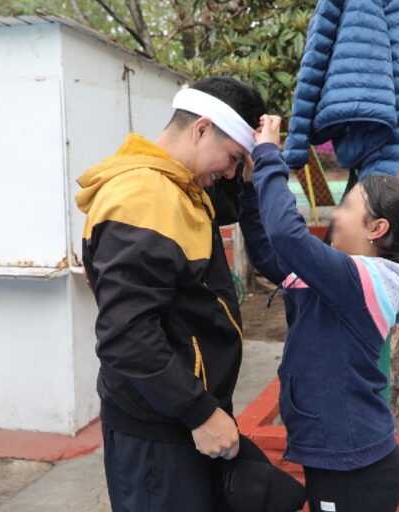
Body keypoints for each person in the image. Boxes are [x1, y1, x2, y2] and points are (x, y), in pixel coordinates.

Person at [75, 77, 305, 512]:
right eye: (233, 159)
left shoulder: (179, 185)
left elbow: (238, 202)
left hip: (179, 417)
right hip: (160, 428)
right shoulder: (143, 197)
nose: (232, 173)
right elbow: (126, 336)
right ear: (201, 129)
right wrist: (199, 412)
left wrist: (257, 159)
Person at [239, 115, 399, 512]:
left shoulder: (368, 282)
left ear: (377, 228)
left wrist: (268, 155)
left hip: (354, 465)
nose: (336, 214)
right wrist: (250, 190)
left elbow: (287, 234)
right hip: (336, 451)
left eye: (348, 206)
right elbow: (271, 254)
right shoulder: (342, 274)